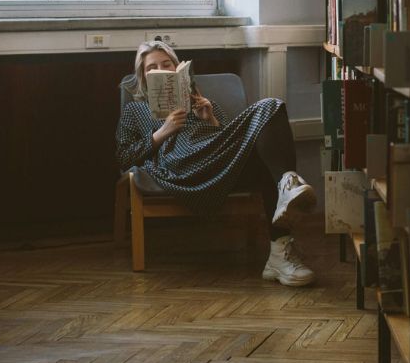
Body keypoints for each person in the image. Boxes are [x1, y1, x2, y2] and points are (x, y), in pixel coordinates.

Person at [116, 40, 317, 286]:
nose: (162, 70)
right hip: (181, 166)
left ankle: (279, 253)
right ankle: (288, 184)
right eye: (152, 68)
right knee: (268, 111)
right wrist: (161, 133)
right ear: (144, 77)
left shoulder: (200, 100)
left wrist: (210, 118)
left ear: (178, 69)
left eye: (167, 64)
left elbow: (227, 138)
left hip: (217, 161)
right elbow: (124, 157)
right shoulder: (136, 110)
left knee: (271, 110)